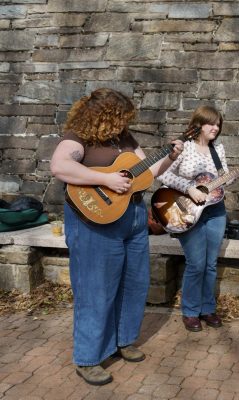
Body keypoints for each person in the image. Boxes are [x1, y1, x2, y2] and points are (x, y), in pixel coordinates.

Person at [50, 88, 183, 386]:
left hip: (133, 218)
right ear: (103, 116)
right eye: (121, 117)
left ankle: (123, 340)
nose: (125, 123)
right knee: (95, 289)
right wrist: (105, 178)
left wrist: (171, 157)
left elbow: (148, 171)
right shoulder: (77, 137)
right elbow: (60, 166)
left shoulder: (124, 138)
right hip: (94, 223)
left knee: (134, 283)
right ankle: (87, 358)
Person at [156, 105, 239, 332]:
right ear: (199, 125)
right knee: (196, 263)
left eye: (218, 124)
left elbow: (222, 181)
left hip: (215, 211)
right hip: (186, 210)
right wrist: (190, 188)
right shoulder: (185, 147)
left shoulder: (217, 150)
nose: (216, 127)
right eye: (211, 123)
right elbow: (162, 173)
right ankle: (190, 311)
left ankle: (207, 309)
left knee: (210, 264)